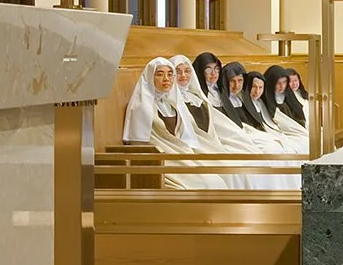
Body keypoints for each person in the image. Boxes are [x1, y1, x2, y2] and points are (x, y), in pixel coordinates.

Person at [170, 55, 297, 191]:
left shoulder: (197, 96)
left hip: (215, 141)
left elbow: (223, 125)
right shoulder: (172, 99)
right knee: (238, 171)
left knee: (261, 158)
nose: (183, 75)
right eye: (178, 71)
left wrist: (240, 138)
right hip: (193, 146)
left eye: (187, 71)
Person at [121, 57, 231, 191]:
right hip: (160, 161)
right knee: (202, 184)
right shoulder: (141, 106)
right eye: (160, 74)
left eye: (170, 74)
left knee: (215, 180)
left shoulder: (171, 103)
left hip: (180, 155)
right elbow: (141, 143)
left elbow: (181, 136)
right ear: (149, 77)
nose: (166, 78)